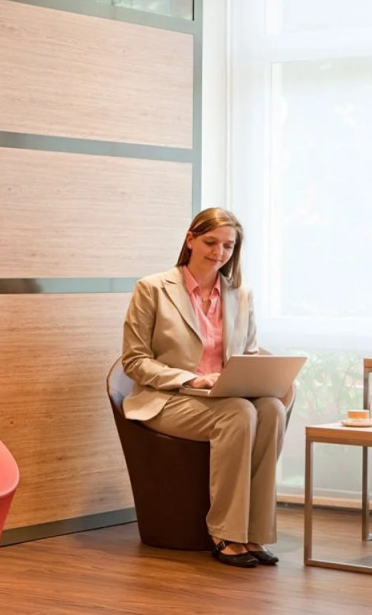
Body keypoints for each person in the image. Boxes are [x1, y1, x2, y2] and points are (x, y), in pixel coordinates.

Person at [121, 207, 293, 568]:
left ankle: (254, 532)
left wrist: (262, 379)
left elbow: (248, 355)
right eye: (211, 242)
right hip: (168, 399)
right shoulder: (152, 289)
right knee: (238, 413)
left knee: (272, 409)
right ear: (190, 240)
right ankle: (225, 533)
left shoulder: (240, 294)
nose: (219, 252)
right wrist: (191, 379)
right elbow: (135, 361)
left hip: (222, 397)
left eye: (228, 246)